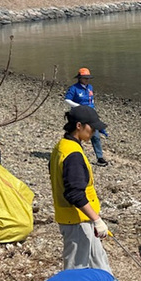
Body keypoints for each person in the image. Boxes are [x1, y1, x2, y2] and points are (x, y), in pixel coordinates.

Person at [50, 105, 111, 271]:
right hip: (77, 221)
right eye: (92, 127)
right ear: (79, 126)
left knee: (100, 266)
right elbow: (74, 194)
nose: (94, 131)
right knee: (77, 270)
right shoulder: (73, 154)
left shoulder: (62, 146)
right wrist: (97, 220)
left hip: (79, 219)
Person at [64, 67, 108, 166]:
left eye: (88, 78)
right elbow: (67, 99)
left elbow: (91, 99)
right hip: (80, 114)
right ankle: (75, 154)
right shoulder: (74, 88)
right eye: (85, 78)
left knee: (95, 135)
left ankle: (100, 157)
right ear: (80, 78)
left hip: (90, 113)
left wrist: (93, 108)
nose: (87, 80)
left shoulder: (90, 87)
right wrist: (79, 106)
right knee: (77, 135)